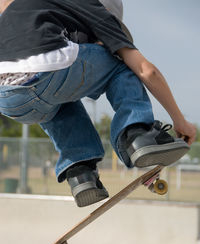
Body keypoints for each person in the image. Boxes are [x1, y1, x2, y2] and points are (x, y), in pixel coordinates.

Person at [0, 0, 196, 207]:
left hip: (8, 98)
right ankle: (136, 134)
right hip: (48, 66)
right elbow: (147, 71)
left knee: (60, 101)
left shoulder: (48, 12)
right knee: (124, 63)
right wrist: (179, 120)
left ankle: (80, 170)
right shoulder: (95, 9)